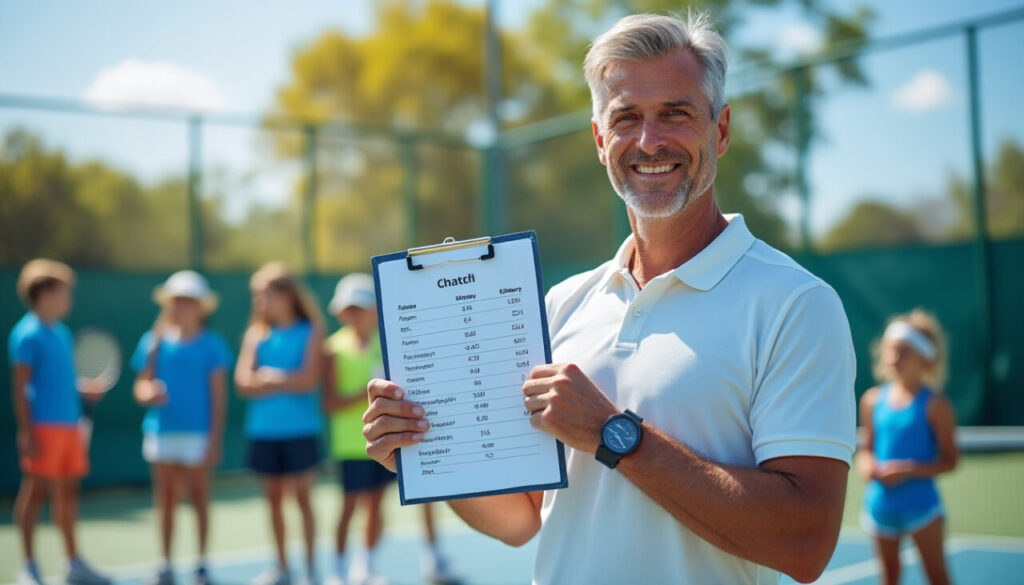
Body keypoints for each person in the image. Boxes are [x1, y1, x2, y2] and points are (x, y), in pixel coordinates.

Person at [362, 11, 856, 585]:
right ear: (601, 140)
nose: (650, 140)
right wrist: (423, 454)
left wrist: (613, 435)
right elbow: (522, 518)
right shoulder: (561, 305)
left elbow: (805, 543)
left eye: (676, 113)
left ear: (720, 130)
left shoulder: (796, 304)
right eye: (627, 118)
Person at [322, 274, 458, 585]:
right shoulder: (332, 348)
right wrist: (367, 394)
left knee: (377, 505)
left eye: (361, 308)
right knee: (349, 507)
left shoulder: (391, 346)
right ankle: (336, 572)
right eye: (349, 309)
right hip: (350, 445)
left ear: (373, 310)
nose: (355, 314)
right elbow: (329, 401)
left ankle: (365, 568)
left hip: (389, 440)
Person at [9, 259, 111, 585]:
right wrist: (26, 431)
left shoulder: (62, 333)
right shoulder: (26, 334)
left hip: (70, 426)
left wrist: (83, 389)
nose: (70, 299)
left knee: (68, 494)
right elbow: (21, 388)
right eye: (65, 292)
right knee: (36, 494)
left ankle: (73, 562)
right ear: (45, 293)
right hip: (43, 428)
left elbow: (62, 381)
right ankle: (28, 566)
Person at [131, 271, 233, 585]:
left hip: (199, 435)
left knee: (200, 497)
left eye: (188, 302)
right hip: (161, 432)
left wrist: (214, 441)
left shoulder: (212, 344)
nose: (181, 307)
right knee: (166, 499)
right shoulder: (153, 341)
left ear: (201, 307)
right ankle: (165, 563)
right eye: (176, 301)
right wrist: (147, 393)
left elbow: (218, 397)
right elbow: (141, 384)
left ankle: (201, 563)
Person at [236, 262, 325, 585]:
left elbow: (308, 380)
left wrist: (274, 378)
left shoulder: (311, 331)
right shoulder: (255, 335)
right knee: (272, 501)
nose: (260, 302)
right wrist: (276, 380)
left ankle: (312, 569)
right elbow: (243, 382)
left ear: (286, 294)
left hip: (302, 431)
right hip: (263, 432)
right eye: (256, 296)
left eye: (265, 295)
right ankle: (282, 566)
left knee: (303, 500)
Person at [857, 310, 958, 585]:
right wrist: (867, 467)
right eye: (890, 351)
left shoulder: (937, 404)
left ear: (924, 358)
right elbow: (867, 449)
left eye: (903, 352)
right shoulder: (871, 401)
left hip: (922, 508)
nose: (892, 359)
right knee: (889, 578)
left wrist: (907, 469)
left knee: (938, 578)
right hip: (879, 508)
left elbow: (950, 460)